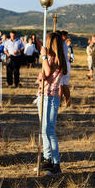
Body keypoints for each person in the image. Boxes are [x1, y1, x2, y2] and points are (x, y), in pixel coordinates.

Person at [37, 32, 67, 175]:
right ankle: (47, 159)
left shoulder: (53, 59)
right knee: (44, 131)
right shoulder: (55, 58)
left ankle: (56, 163)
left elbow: (48, 71)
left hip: (49, 97)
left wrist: (43, 56)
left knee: (49, 131)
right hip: (46, 96)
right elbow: (43, 76)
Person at [59, 31, 72, 107]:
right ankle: (68, 101)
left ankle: (59, 102)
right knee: (64, 85)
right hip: (66, 64)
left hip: (63, 64)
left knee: (60, 85)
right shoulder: (65, 45)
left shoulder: (61, 44)